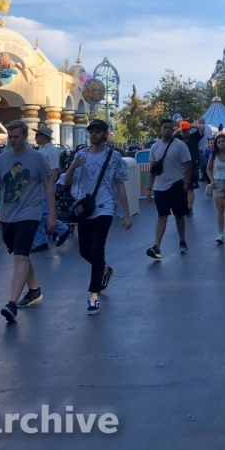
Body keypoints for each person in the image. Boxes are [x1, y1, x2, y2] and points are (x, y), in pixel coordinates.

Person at [0, 120, 57, 323]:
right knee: (20, 254)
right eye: (10, 137)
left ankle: (11, 304)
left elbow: (48, 187)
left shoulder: (37, 158)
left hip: (29, 214)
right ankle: (34, 290)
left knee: (20, 257)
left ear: (25, 137)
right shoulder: (3, 159)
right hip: (7, 215)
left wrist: (52, 215)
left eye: (16, 137)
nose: (12, 140)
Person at [62, 119, 132, 315]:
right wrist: (72, 167)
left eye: (98, 131)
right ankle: (104, 270)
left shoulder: (114, 156)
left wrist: (127, 214)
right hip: (85, 208)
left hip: (104, 207)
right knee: (85, 251)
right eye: (91, 131)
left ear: (105, 134)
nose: (93, 134)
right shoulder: (81, 155)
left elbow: (120, 185)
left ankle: (93, 295)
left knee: (97, 249)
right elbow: (66, 182)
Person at [145, 118, 193, 259]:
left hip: (177, 185)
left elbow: (188, 165)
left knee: (179, 215)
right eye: (165, 127)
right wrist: (150, 188)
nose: (167, 130)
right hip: (160, 188)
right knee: (162, 216)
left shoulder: (180, 146)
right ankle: (156, 247)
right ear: (161, 129)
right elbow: (153, 169)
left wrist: (185, 185)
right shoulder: (155, 147)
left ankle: (182, 241)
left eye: (170, 128)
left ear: (173, 129)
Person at [30, 126, 71, 254]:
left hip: (45, 185)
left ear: (44, 136)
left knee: (42, 213)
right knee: (38, 213)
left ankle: (61, 229)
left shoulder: (52, 151)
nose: (35, 137)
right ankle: (42, 240)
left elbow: (54, 171)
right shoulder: (41, 149)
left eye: (37, 135)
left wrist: (48, 185)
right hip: (39, 185)